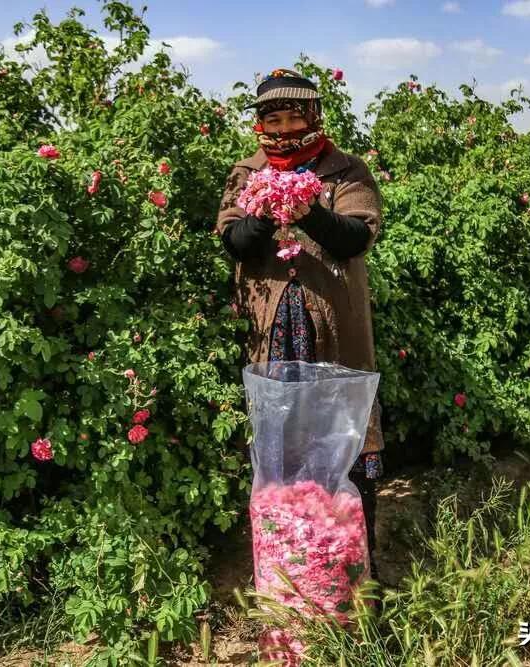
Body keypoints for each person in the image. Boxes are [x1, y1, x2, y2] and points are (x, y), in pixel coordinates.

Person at [215, 67, 386, 580]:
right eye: (276, 120)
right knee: (280, 448)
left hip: (333, 332)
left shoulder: (345, 170)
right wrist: (266, 210)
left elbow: (355, 238)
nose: (287, 130)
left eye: (296, 118)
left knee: (344, 442)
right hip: (272, 333)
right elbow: (235, 242)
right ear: (261, 124)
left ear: (313, 117)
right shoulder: (246, 173)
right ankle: (292, 566)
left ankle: (355, 568)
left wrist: (307, 209)